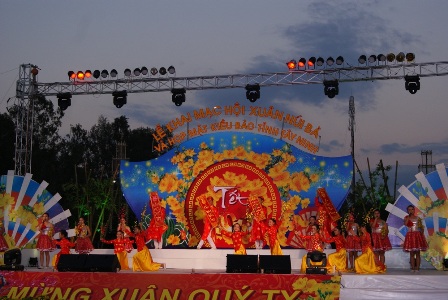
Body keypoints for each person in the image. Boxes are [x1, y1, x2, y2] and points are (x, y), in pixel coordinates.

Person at [403, 205, 428, 272]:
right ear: (407, 211)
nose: (411, 211)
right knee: (411, 253)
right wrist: (408, 217)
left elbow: (421, 227)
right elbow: (405, 224)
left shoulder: (418, 218)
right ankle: (413, 267)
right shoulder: (406, 218)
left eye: (412, 209)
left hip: (417, 235)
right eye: (409, 209)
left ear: (414, 210)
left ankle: (417, 268)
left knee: (417, 253)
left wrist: (421, 231)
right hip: (410, 236)